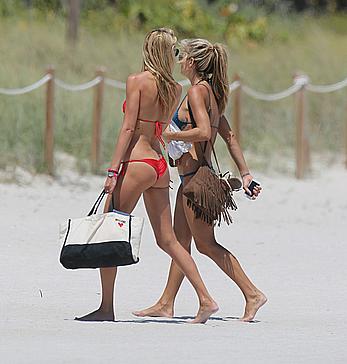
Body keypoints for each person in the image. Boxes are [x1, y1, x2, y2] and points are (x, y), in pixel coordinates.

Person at [75, 29, 218, 324]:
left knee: (110, 229)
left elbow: (128, 128)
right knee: (168, 239)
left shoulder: (136, 81)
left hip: (137, 160)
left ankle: (106, 307)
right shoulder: (173, 88)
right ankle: (205, 298)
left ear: (148, 49)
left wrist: (113, 170)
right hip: (159, 164)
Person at [133, 38, 267, 322]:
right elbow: (228, 137)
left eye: (182, 56)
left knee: (206, 244)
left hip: (196, 180)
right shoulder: (212, 95)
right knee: (181, 241)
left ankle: (252, 293)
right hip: (193, 179)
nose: (178, 60)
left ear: (191, 62)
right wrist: (245, 174)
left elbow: (205, 132)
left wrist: (170, 136)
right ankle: (166, 303)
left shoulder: (196, 92)